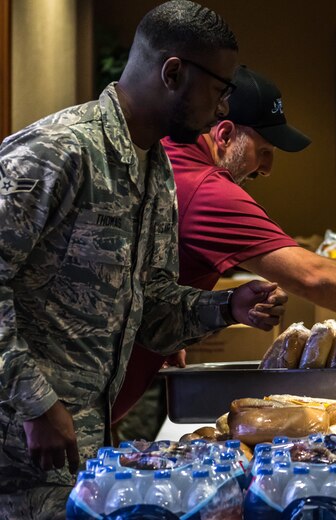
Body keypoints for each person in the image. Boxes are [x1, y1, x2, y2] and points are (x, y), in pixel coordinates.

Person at [0, 2, 287, 518]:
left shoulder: (153, 167)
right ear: (173, 72)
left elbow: (151, 303)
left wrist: (226, 307)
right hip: (18, 444)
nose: (223, 110)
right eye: (219, 90)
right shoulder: (58, 151)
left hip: (81, 446)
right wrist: (36, 403)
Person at [112, 65, 336, 427]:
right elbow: (313, 276)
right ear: (225, 134)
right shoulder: (205, 189)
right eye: (264, 151)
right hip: (76, 401)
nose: (268, 168)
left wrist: (174, 324)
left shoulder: (170, 156)